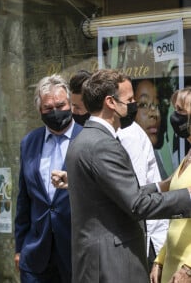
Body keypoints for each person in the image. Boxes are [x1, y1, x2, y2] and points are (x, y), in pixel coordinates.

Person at [66, 69, 191, 283]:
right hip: (112, 266)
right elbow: (136, 204)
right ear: (111, 102)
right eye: (130, 99)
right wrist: (187, 196)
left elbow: (121, 194)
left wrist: (161, 186)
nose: (133, 105)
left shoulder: (87, 138)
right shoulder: (103, 144)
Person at [14, 74, 82, 283]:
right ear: (39, 110)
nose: (55, 111)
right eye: (48, 107)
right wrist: (20, 247)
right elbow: (24, 200)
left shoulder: (87, 139)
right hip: (36, 254)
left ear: (71, 104)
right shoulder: (29, 143)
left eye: (61, 105)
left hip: (76, 251)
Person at [150, 86, 191, 283]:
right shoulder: (187, 157)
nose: (175, 117)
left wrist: (189, 268)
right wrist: (160, 260)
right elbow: (177, 222)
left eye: (181, 112)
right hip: (173, 266)